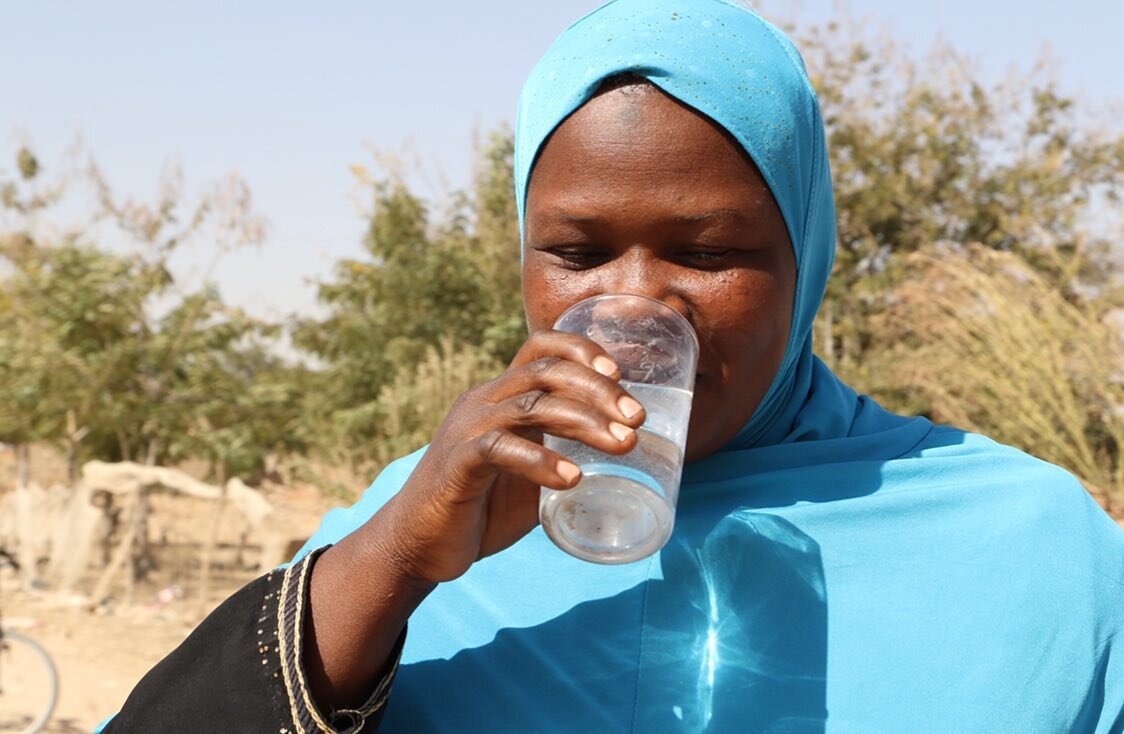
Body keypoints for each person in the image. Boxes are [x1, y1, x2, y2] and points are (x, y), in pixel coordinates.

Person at [98, 0, 1124, 731]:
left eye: (707, 251)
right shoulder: (415, 533)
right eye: (577, 254)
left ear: (803, 257)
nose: (633, 307)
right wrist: (394, 562)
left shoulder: (1029, 549)